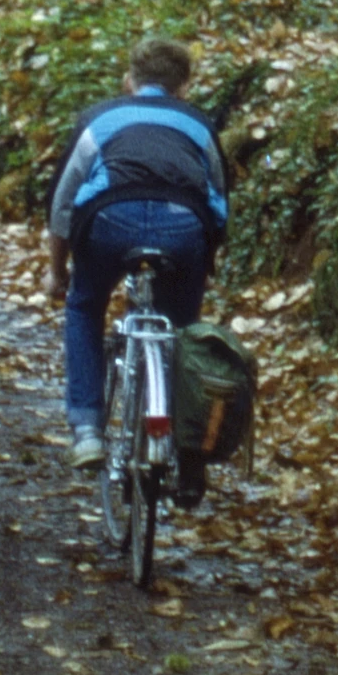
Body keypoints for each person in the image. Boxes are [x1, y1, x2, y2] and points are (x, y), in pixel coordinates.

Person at [46, 36, 228, 496]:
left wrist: (57, 271)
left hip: (109, 222)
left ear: (129, 82)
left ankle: (87, 429)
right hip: (182, 227)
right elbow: (219, 204)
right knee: (184, 333)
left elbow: (62, 205)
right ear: (184, 87)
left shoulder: (99, 119)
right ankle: (188, 458)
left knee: (85, 306)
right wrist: (205, 260)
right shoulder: (200, 126)